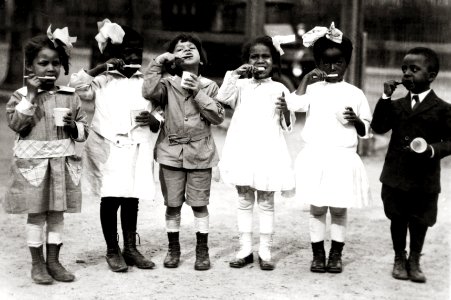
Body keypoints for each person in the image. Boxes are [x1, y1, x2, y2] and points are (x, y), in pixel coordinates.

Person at [69, 20, 160, 272]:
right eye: (126, 50)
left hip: (136, 145)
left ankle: (130, 248)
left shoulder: (146, 82)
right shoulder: (102, 80)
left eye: (137, 50)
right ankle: (112, 248)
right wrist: (101, 68)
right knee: (111, 198)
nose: (132, 55)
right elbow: (77, 85)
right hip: (108, 145)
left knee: (131, 197)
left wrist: (154, 120)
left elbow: (160, 109)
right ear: (113, 53)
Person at [4, 26, 88, 284]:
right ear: (30, 65)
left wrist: (76, 127)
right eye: (43, 63)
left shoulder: (70, 98)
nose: (50, 68)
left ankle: (54, 260)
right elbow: (17, 125)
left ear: (63, 67)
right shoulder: (20, 96)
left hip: (61, 165)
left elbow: (84, 130)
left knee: (56, 215)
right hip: (35, 168)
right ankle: (37, 263)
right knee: (36, 214)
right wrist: (30, 95)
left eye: (56, 63)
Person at [286, 22, 372, 273]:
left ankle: (336, 253)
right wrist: (305, 80)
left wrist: (355, 121)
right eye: (326, 63)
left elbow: (366, 127)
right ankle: (317, 254)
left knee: (338, 207)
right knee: (317, 207)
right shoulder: (312, 89)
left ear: (347, 64)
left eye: (339, 63)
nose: (332, 68)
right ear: (317, 63)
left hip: (342, 157)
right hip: (316, 156)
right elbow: (295, 105)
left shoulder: (355, 93)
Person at [142, 33, 224, 271]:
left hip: (201, 153)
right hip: (170, 152)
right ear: (172, 59)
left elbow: (217, 116)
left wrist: (198, 92)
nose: (186, 50)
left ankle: (202, 250)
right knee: (173, 204)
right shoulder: (165, 85)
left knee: (199, 204)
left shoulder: (209, 85)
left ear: (202, 58)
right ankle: (173, 248)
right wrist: (158, 62)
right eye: (179, 49)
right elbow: (148, 92)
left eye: (192, 48)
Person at [371, 47, 451, 283]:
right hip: (396, 175)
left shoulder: (443, 108)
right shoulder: (396, 105)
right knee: (397, 217)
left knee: (420, 219)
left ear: (431, 75)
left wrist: (432, 149)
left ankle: (414, 259)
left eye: (414, 70)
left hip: (424, 178)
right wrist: (385, 97)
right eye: (404, 69)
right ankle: (399, 257)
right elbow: (379, 127)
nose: (407, 74)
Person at [216, 35, 295, 271]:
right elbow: (222, 98)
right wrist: (234, 74)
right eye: (254, 56)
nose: (260, 61)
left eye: (265, 56)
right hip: (243, 148)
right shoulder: (240, 85)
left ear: (274, 60)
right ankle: (245, 248)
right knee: (243, 198)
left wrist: (286, 111)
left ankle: (265, 249)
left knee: (267, 201)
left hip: (268, 150)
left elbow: (287, 126)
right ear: (247, 60)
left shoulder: (280, 88)